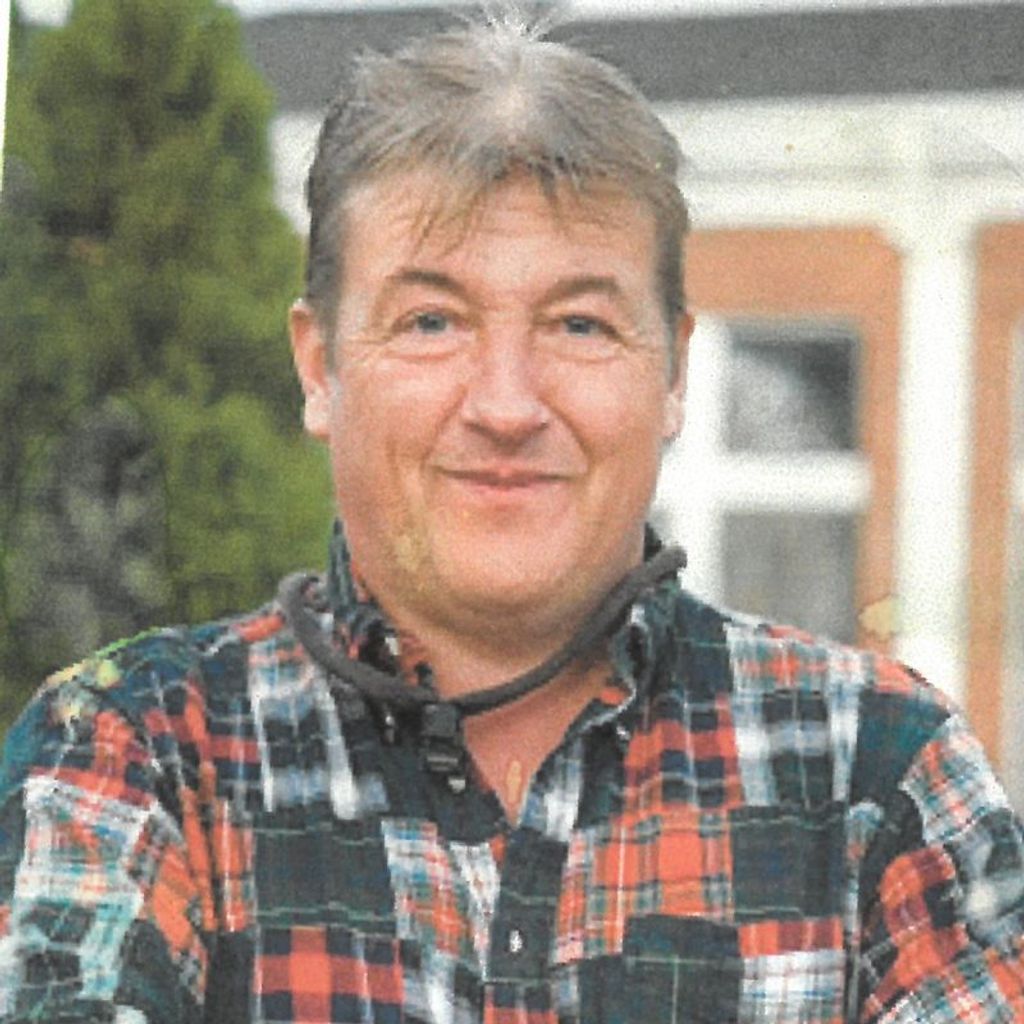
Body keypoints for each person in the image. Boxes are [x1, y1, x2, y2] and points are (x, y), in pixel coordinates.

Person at [1, 12, 1022, 1024]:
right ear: (320, 367)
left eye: (579, 323)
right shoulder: (137, 751)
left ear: (673, 371)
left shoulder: (874, 767)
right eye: (431, 320)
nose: (505, 404)